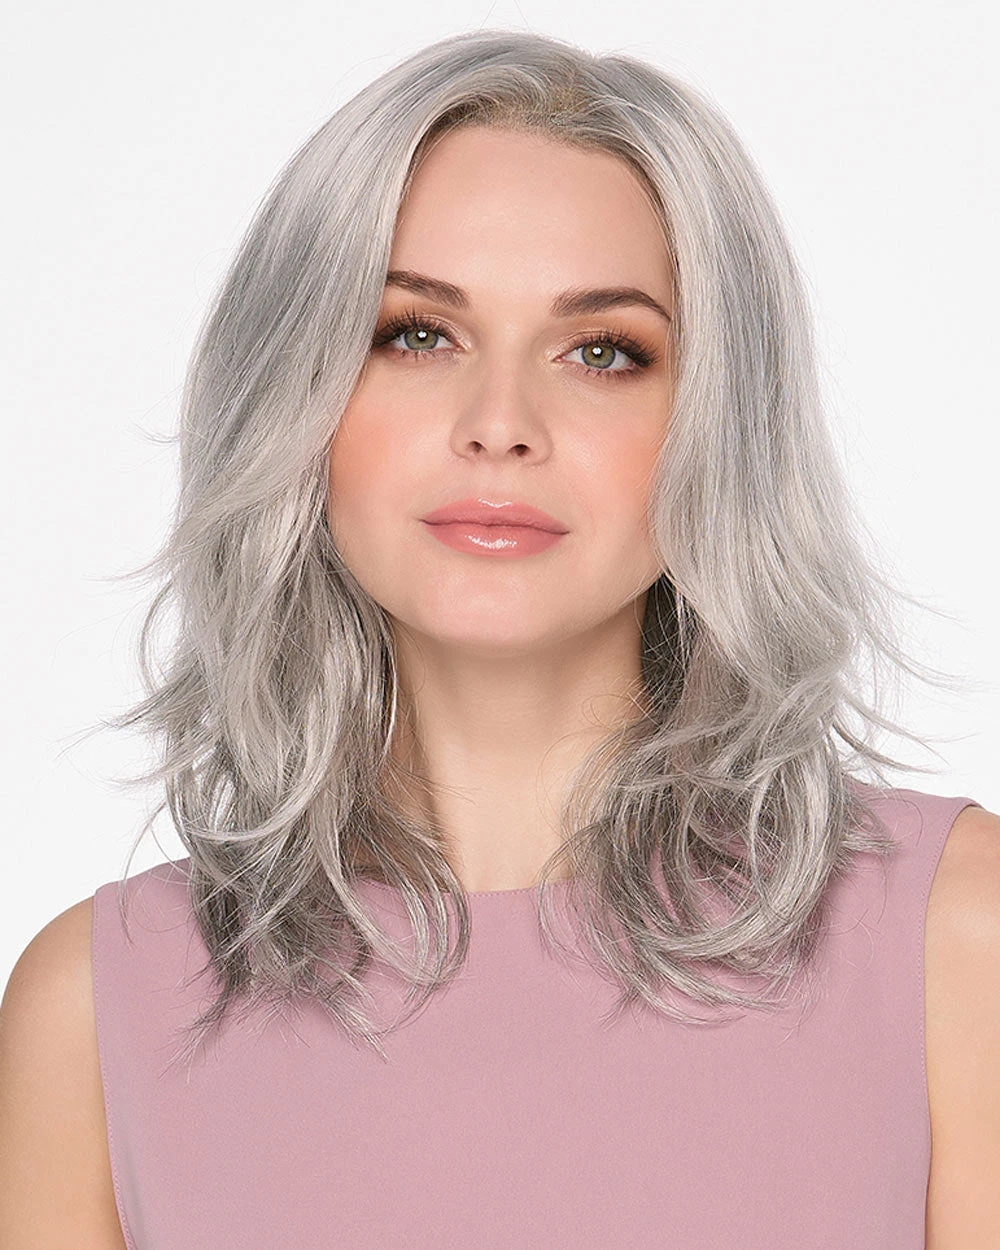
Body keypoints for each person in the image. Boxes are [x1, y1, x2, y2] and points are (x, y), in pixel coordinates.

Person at [1, 27, 997, 1249]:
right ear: (296, 392)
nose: (500, 422)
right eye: (416, 333)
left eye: (602, 351)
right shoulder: (94, 1014)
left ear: (714, 427)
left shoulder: (955, 941)